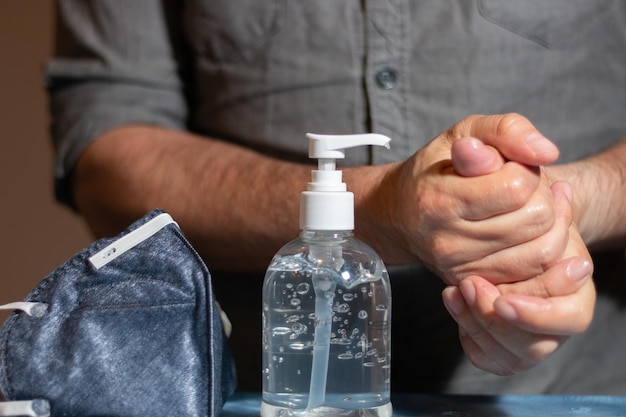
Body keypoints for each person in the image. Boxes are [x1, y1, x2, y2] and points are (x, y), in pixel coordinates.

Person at [45, 1, 624, 394]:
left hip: (582, 389)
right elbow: (105, 147)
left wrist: (562, 208)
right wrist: (378, 208)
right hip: (244, 388)